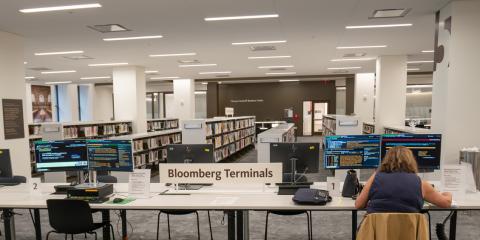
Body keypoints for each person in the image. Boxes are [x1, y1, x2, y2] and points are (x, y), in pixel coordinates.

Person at [355, 146, 452, 212]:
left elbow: (358, 205)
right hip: (408, 233)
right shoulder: (421, 184)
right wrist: (448, 194)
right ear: (411, 161)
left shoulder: (375, 177)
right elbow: (446, 203)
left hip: (376, 233)